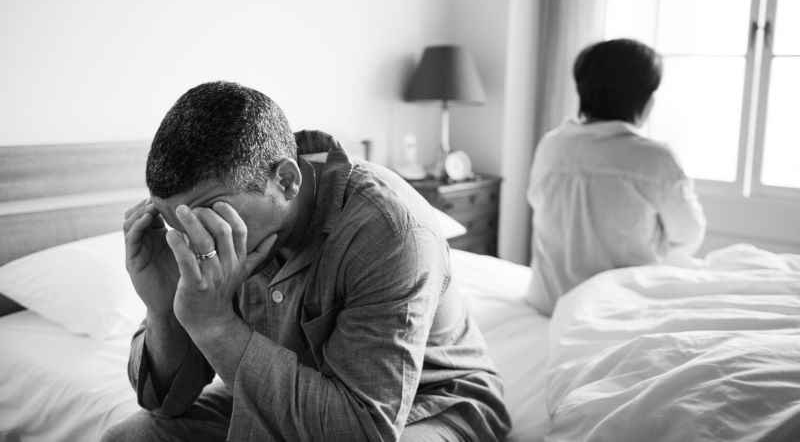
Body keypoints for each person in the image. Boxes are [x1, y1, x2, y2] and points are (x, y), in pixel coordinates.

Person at [101, 81, 511, 442]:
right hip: (279, 389)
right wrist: (165, 308)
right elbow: (165, 405)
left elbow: (362, 429)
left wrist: (214, 324)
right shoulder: (206, 236)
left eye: (213, 216)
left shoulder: (391, 229)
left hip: (427, 401)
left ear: (286, 180)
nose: (197, 240)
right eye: (179, 225)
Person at [526, 38, 706, 316]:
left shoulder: (550, 145)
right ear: (644, 98)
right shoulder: (654, 158)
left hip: (547, 302)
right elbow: (688, 235)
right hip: (616, 308)